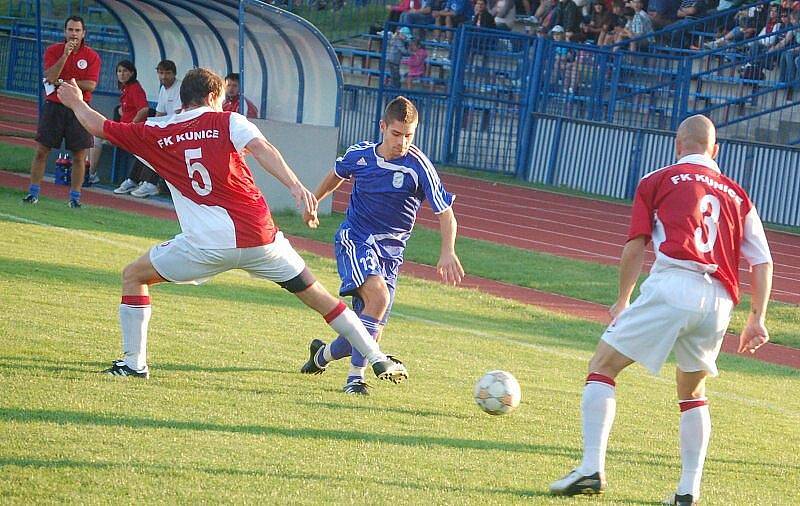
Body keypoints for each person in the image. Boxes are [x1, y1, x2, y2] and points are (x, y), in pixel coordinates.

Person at [55, 68, 408, 385]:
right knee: (324, 301)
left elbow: (98, 125)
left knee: (134, 275)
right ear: (212, 97)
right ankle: (377, 357)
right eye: (222, 96)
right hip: (262, 240)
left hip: (205, 246)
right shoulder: (228, 121)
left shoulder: (156, 130)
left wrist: (74, 102)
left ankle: (134, 364)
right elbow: (262, 147)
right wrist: (295, 186)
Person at [548, 115, 773, 506]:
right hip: (719, 300)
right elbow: (763, 261)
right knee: (692, 392)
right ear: (715, 150)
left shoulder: (659, 179)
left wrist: (623, 298)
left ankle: (590, 468)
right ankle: (687, 492)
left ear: (677, 145)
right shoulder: (738, 195)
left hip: (675, 284)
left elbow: (636, 242)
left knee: (602, 364)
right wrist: (757, 317)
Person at [299, 96, 464, 395]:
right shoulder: (360, 155)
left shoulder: (419, 166)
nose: (402, 142)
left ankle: (320, 356)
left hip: (391, 255)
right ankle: (355, 380)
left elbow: (445, 212)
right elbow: (336, 176)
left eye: (409, 135)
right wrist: (314, 203)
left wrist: (448, 250)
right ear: (383, 127)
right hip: (356, 238)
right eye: (396, 134)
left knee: (363, 334)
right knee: (379, 299)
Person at [22, 15, 100, 208]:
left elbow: (90, 85)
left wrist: (64, 83)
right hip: (54, 106)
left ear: (83, 33)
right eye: (70, 30)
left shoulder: (92, 56)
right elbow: (50, 77)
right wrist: (65, 56)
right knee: (41, 150)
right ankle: (33, 193)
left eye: (77, 30)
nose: (74, 34)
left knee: (79, 155)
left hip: (79, 107)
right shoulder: (54, 51)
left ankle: (74, 198)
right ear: (65, 32)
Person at [106, 60, 160, 198]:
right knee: (96, 138)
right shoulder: (125, 89)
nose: (122, 74)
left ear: (132, 73)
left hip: (132, 131)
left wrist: (131, 126)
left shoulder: (135, 88)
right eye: (119, 71)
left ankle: (92, 174)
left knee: (97, 138)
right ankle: (133, 180)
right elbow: (127, 108)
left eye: (125, 71)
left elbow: (144, 109)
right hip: (124, 129)